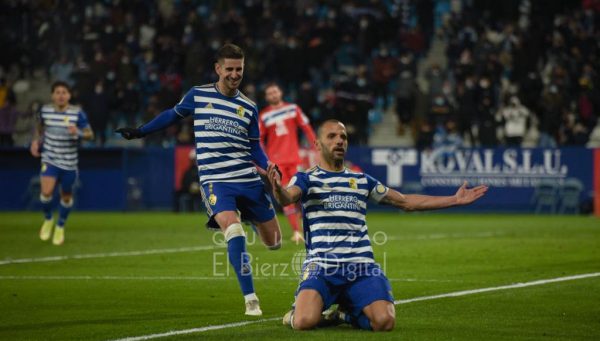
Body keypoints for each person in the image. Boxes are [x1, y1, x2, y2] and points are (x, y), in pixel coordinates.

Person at [267, 119, 487, 331]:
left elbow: (405, 201)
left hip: (361, 267)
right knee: (304, 321)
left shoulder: (362, 181)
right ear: (317, 144)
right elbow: (288, 197)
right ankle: (305, 311)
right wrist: (277, 188)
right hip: (322, 268)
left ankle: (343, 314)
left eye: (343, 136)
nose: (339, 141)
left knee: (385, 322)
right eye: (332, 136)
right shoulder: (306, 179)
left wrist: (454, 200)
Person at [116, 44, 282, 316]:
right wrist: (140, 132)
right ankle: (251, 298)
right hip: (216, 181)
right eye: (229, 69)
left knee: (274, 243)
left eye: (239, 69)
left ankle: (252, 216)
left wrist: (268, 166)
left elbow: (255, 148)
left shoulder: (249, 106)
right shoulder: (198, 95)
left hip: (248, 179)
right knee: (233, 230)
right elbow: (172, 114)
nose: (234, 74)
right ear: (218, 68)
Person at [30, 81, 94, 245]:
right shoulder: (45, 111)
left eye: (64, 92)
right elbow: (39, 127)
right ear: (52, 95)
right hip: (50, 158)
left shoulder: (77, 113)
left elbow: (89, 134)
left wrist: (78, 132)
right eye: (57, 92)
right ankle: (48, 219)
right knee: (46, 192)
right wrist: (36, 142)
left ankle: (60, 226)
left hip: (69, 163)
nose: (60, 95)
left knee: (66, 196)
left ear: (69, 95)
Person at [259, 82, 317, 244]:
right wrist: (264, 161)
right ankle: (297, 231)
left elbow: (307, 127)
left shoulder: (293, 109)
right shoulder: (263, 116)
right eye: (270, 93)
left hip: (295, 160)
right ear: (266, 97)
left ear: (280, 92)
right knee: (284, 195)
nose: (273, 95)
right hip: (277, 163)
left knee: (303, 193)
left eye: (275, 91)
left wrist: (316, 147)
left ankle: (306, 224)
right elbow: (259, 141)